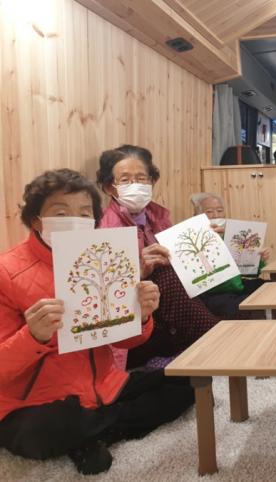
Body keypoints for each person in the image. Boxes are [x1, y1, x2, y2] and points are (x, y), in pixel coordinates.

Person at [0, 169, 194, 475]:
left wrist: (141, 315)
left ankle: (93, 434)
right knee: (43, 428)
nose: (74, 221)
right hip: (37, 401)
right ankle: (94, 431)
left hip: (104, 385)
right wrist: (33, 337)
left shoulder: (106, 259)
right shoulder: (7, 272)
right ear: (36, 220)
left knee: (190, 383)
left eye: (84, 213)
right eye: (60, 213)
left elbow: (126, 341)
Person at [97, 145, 222, 367]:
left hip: (171, 306)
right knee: (165, 275)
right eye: (125, 180)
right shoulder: (105, 230)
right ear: (109, 188)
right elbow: (107, 294)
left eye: (141, 178)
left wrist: (206, 245)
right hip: (138, 319)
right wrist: (140, 271)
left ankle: (215, 335)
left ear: (151, 182)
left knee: (234, 303)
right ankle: (215, 339)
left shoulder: (158, 216)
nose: (135, 185)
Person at [191, 193, 269, 318]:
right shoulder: (194, 240)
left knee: (273, 286)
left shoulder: (230, 236)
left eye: (220, 210)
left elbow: (250, 272)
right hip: (213, 295)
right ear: (197, 216)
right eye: (209, 212)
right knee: (250, 305)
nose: (216, 215)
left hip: (237, 287)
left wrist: (259, 260)